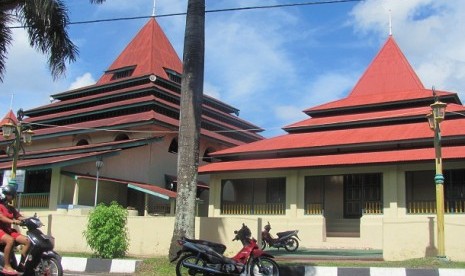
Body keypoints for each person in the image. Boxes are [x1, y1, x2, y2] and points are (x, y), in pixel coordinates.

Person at [0, 185, 30, 275]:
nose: (12, 197)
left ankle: (21, 265)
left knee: (28, 241)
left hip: (8, 230)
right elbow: (1, 217)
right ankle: (7, 266)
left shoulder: (10, 207)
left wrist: (29, 220)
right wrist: (14, 221)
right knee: (10, 240)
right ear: (5, 195)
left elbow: (19, 216)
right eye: (11, 195)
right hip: (1, 230)